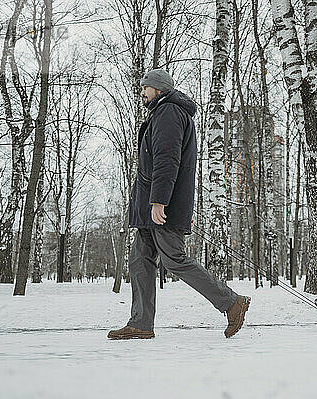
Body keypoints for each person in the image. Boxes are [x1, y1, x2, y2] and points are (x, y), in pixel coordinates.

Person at [107, 69, 250, 340]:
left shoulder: (169, 112)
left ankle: (232, 303)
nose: (142, 92)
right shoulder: (162, 112)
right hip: (151, 204)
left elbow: (167, 160)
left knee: (174, 260)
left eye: (146, 87)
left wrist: (160, 201)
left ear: (158, 89)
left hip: (160, 204)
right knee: (140, 260)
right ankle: (140, 323)